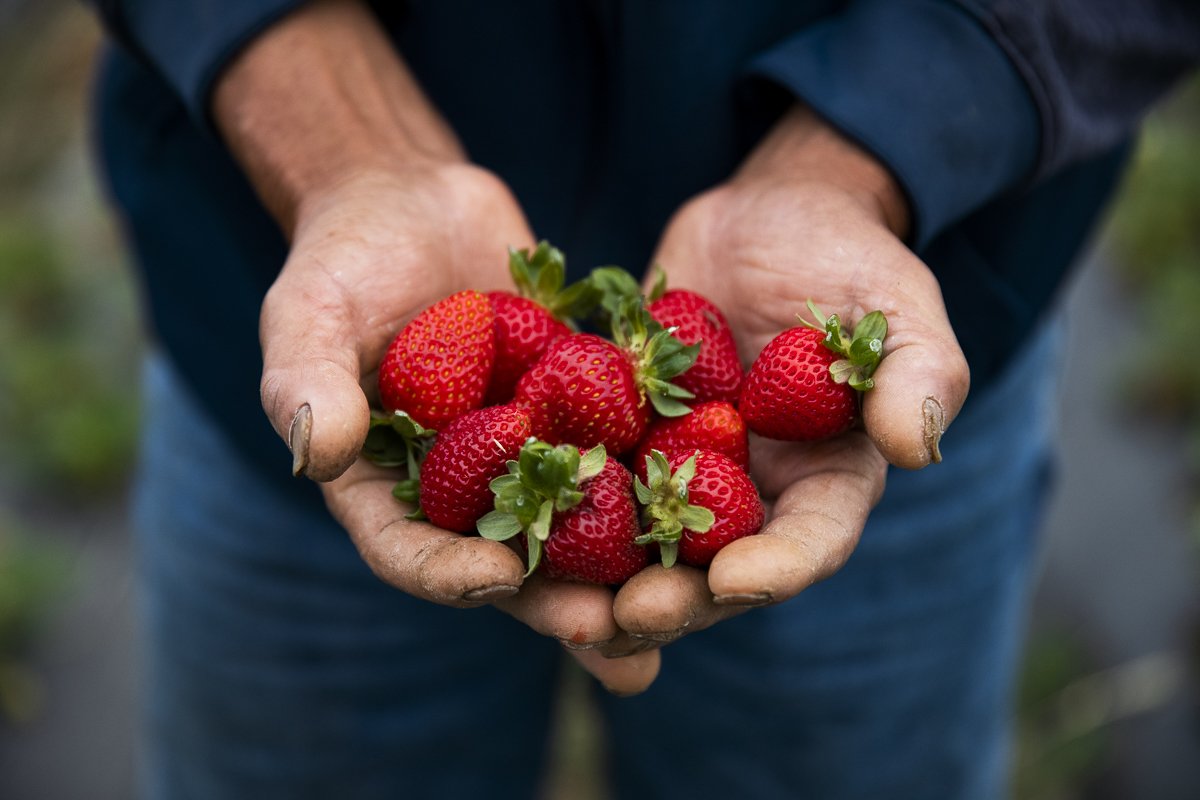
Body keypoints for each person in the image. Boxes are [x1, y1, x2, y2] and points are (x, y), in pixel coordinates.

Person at [88, 1, 1198, 797]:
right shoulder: (547, 408)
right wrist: (336, 139)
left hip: (932, 270)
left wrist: (876, 145)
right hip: (276, 295)